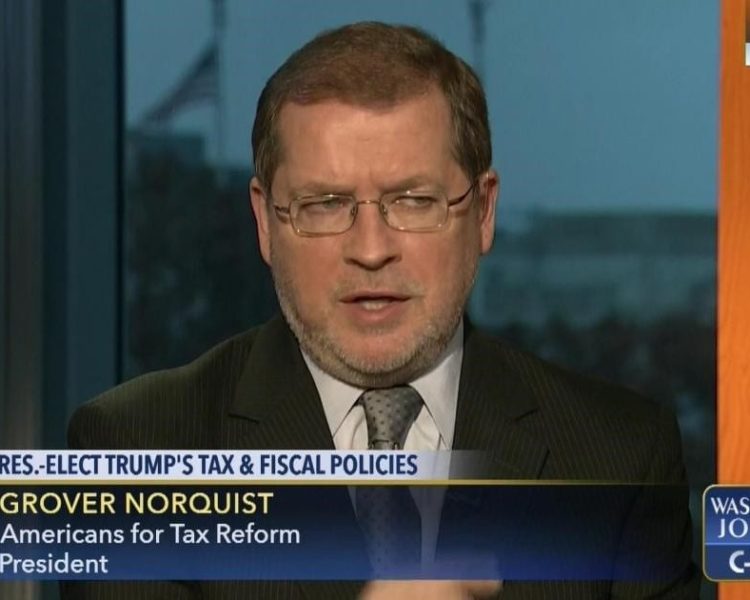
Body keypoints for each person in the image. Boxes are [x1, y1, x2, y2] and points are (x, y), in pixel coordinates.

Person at [62, 21, 700, 599]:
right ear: (264, 222)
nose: (371, 250)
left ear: (483, 212)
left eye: (415, 201)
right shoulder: (133, 454)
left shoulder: (622, 459)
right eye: (324, 204)